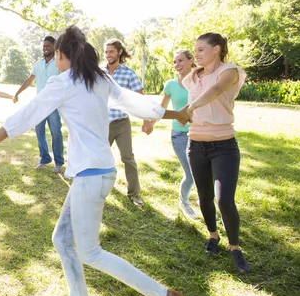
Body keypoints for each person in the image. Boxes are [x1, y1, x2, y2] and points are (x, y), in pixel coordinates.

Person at [0, 26, 185, 296]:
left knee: (90, 251)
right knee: (62, 240)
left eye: (55, 53)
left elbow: (26, 115)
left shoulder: (65, 82)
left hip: (91, 176)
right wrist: (178, 115)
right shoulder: (98, 79)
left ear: (60, 54)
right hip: (96, 173)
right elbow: (138, 105)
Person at [180, 33, 249, 273]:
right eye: (195, 50)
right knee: (204, 195)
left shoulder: (230, 71)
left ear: (217, 49)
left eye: (201, 49)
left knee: (224, 200)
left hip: (224, 146)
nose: (196, 53)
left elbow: (217, 90)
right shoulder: (192, 77)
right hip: (196, 144)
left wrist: (189, 108)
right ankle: (212, 235)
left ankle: (235, 247)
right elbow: (188, 97)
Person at [144, 49, 198, 219]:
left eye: (181, 60)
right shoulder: (171, 85)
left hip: (201, 133)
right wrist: (150, 123)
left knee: (206, 174)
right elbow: (162, 108)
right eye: (175, 62)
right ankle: (184, 202)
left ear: (191, 61)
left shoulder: (201, 81)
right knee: (191, 174)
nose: (177, 65)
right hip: (180, 135)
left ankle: (207, 205)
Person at [104, 39, 150, 206]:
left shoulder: (129, 73)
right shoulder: (99, 73)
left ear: (119, 52)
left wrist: (147, 121)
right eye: (106, 52)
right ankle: (98, 190)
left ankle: (134, 194)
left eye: (111, 52)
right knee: (99, 157)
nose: (108, 55)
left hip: (121, 122)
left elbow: (140, 98)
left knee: (128, 158)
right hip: (102, 123)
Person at [15, 36, 65, 173]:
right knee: (39, 132)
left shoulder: (59, 63)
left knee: (56, 133)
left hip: (53, 105)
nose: (45, 48)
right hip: (39, 105)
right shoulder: (38, 64)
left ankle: (59, 162)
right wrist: (17, 93)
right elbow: (29, 80)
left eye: (48, 45)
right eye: (44, 46)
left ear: (54, 46)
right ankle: (44, 158)